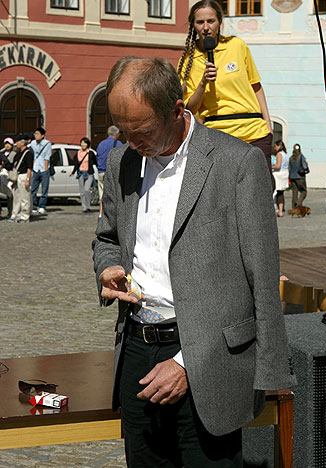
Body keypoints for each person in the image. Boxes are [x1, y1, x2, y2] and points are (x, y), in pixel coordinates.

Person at [93, 57, 296, 468]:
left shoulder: (237, 164)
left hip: (209, 363)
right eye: (123, 132)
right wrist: (107, 267)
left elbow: (259, 276)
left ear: (178, 107)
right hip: (136, 350)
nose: (132, 143)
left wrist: (190, 364)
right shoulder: (122, 162)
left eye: (143, 131)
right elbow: (106, 237)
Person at [178, 0, 274, 185]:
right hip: (218, 135)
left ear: (219, 22)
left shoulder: (237, 46)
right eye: (200, 22)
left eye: (211, 21)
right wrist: (203, 82)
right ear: (193, 25)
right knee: (224, 195)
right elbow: (190, 108)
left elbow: (256, 87)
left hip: (254, 131)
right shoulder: (188, 60)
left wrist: (268, 125)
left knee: (260, 193)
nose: (206, 27)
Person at [96, 125, 122, 217]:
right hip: (111, 173)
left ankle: (101, 213)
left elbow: (98, 157)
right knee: (113, 194)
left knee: (102, 193)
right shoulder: (118, 144)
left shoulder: (101, 144)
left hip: (100, 171)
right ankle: (112, 215)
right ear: (116, 134)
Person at [9, 133, 33, 223]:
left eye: (18, 141)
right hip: (17, 176)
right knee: (17, 197)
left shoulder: (28, 153)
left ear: (23, 142)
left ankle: (25, 216)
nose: (16, 143)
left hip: (24, 175)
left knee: (25, 197)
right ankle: (16, 214)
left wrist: (28, 180)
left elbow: (29, 168)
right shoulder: (18, 154)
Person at [70, 137, 97, 213]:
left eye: (84, 143)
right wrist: (73, 172)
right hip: (80, 173)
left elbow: (95, 162)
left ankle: (88, 206)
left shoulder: (90, 153)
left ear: (87, 144)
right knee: (82, 191)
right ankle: (84, 207)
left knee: (87, 190)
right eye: (82, 143)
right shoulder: (78, 153)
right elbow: (76, 164)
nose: (83, 144)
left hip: (89, 173)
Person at [30, 127, 52, 216]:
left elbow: (47, 157)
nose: (35, 135)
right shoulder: (32, 143)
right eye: (35, 133)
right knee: (33, 189)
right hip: (35, 168)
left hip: (44, 168)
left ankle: (42, 206)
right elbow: (33, 155)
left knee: (44, 189)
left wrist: (46, 169)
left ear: (42, 135)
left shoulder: (47, 144)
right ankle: (34, 206)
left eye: (37, 134)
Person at [272, 140, 289, 217]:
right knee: (280, 193)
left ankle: (274, 208)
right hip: (284, 174)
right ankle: (280, 211)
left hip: (278, 174)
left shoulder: (279, 154)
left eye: (275, 146)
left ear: (279, 146)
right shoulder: (286, 154)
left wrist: (270, 167)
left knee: (274, 192)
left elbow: (278, 166)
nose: (275, 148)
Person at [289, 143, 308, 208]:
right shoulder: (301, 156)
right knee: (304, 191)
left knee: (294, 193)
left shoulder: (291, 158)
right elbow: (305, 167)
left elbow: (289, 168)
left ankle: (294, 208)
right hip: (300, 177)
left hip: (292, 177)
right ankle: (298, 203)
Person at [0, 137, 15, 218]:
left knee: (10, 194)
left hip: (10, 175)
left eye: (9, 144)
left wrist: (3, 165)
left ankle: (11, 211)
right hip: (2, 175)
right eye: (6, 144)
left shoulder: (14, 154)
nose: (7, 146)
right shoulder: (2, 153)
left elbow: (11, 164)